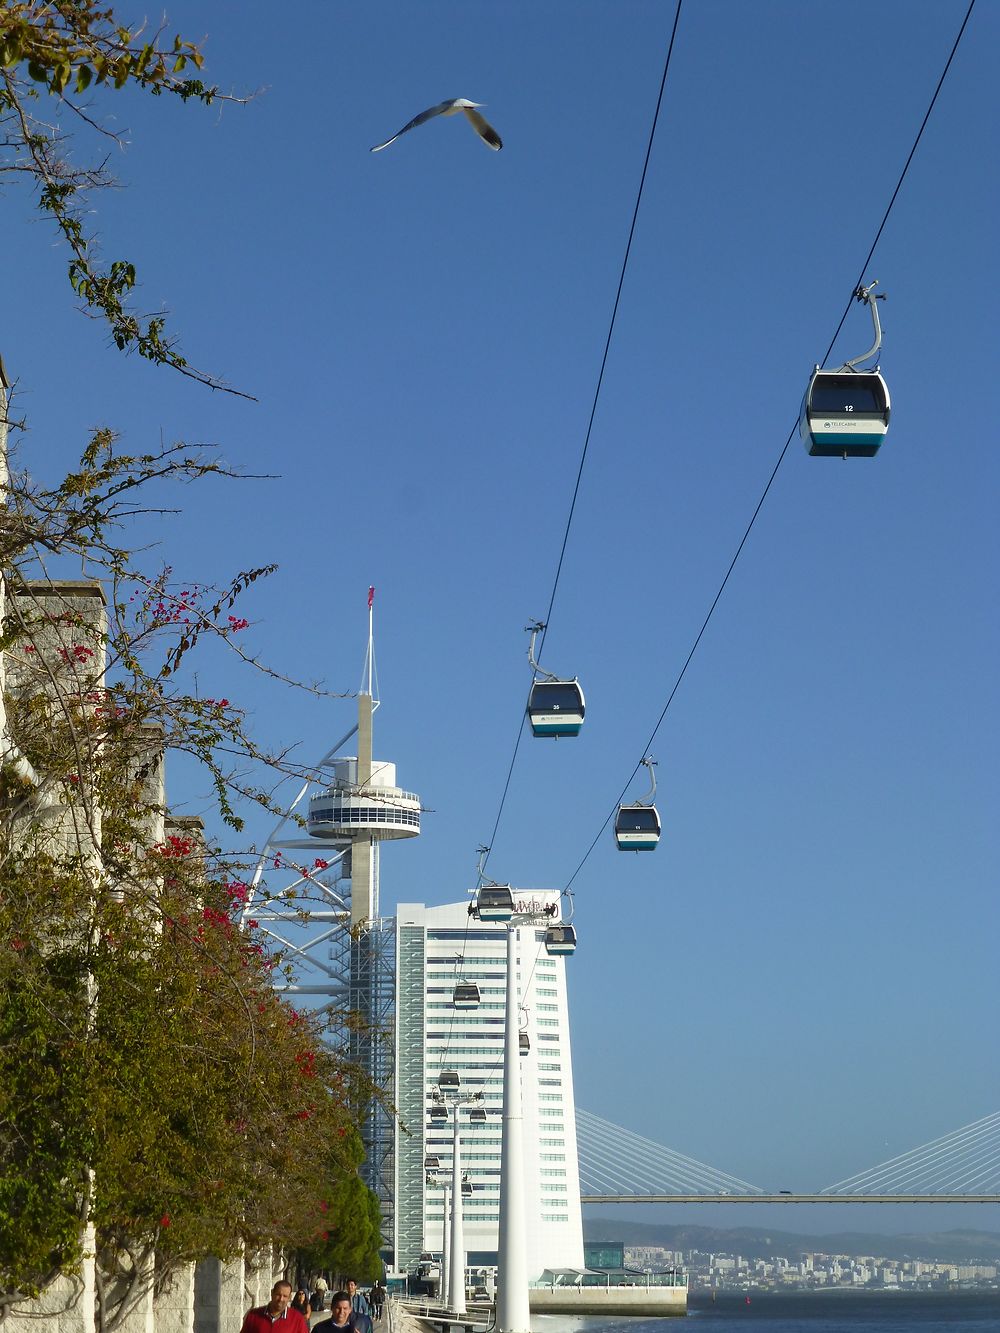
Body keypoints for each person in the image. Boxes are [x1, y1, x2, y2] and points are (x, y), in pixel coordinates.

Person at [240, 1281, 309, 1333]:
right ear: (272, 1293)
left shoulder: (297, 1319)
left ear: (289, 1298)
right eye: (278, 1295)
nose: (281, 1299)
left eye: (285, 1296)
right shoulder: (253, 1316)